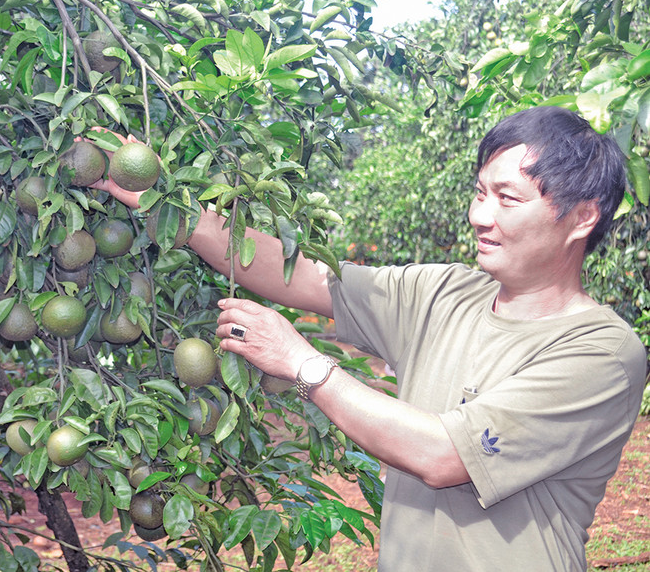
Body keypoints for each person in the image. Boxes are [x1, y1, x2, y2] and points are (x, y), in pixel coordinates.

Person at [92, 106, 647, 571]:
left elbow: (445, 454)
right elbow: (299, 273)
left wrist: (304, 364)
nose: (481, 215)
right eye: (480, 192)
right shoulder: (444, 293)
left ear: (581, 219)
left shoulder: (601, 351)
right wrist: (162, 204)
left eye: (508, 198)